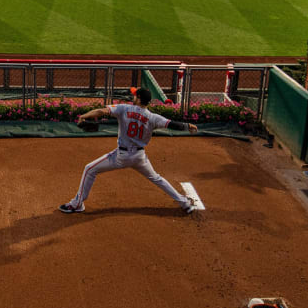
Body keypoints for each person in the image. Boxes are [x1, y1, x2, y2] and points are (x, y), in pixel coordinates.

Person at [58, 87, 201, 215]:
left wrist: (84, 116)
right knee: (157, 179)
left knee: (89, 169)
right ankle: (185, 203)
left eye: (134, 95)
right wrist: (187, 125)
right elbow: (172, 124)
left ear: (138, 98)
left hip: (121, 156)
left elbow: (101, 111)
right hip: (139, 157)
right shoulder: (152, 117)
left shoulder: (124, 108)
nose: (132, 96)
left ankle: (77, 204)